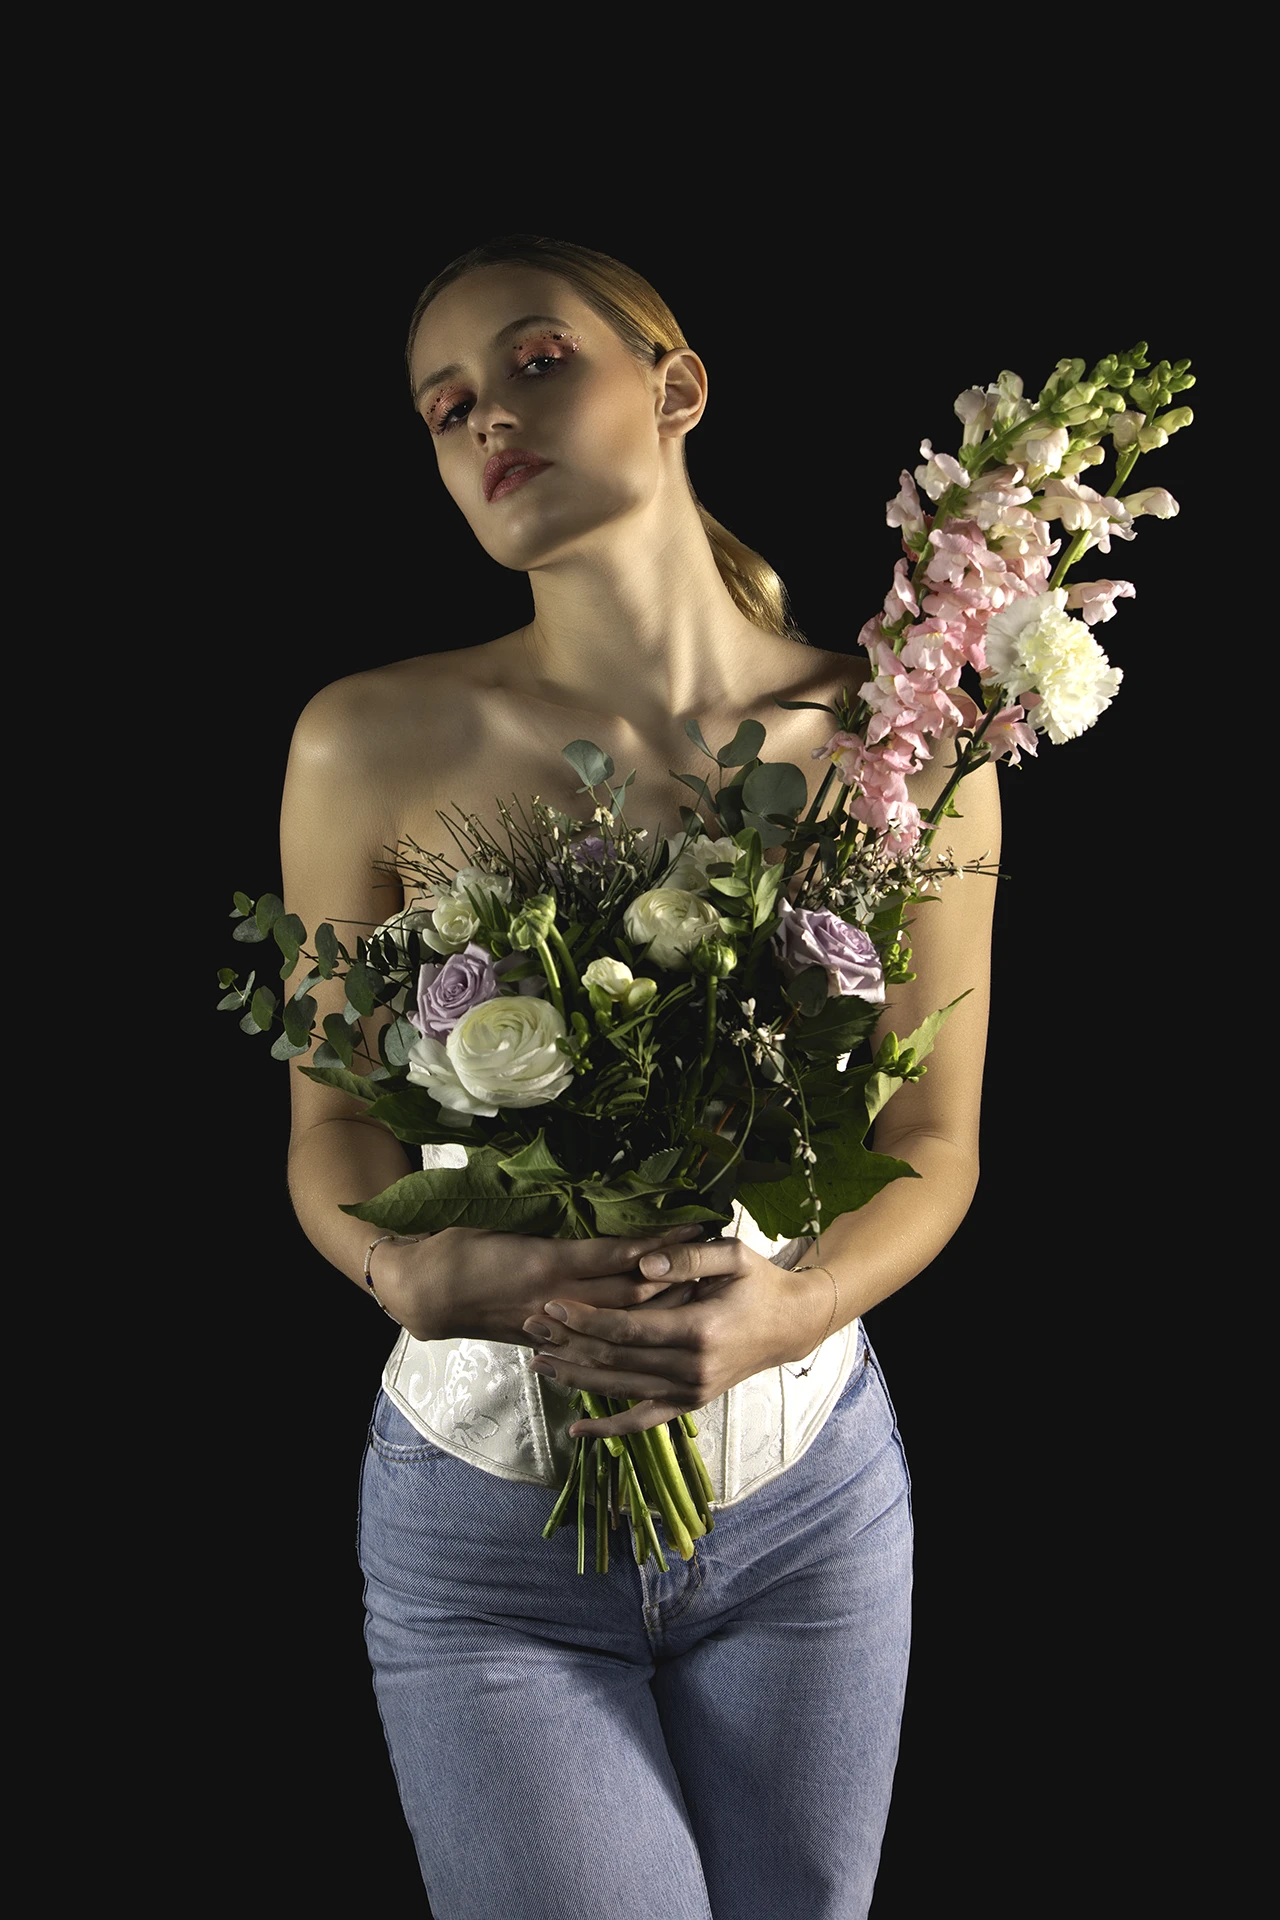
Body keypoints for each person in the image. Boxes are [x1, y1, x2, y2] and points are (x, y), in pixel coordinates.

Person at [279, 234, 999, 1920]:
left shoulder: (906, 742)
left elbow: (936, 1138)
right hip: (488, 1539)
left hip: (810, 1506)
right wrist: (405, 1264)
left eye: (535, 364)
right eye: (444, 407)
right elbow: (325, 1123)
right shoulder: (363, 741)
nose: (484, 425)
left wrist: (797, 1310)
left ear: (675, 389)